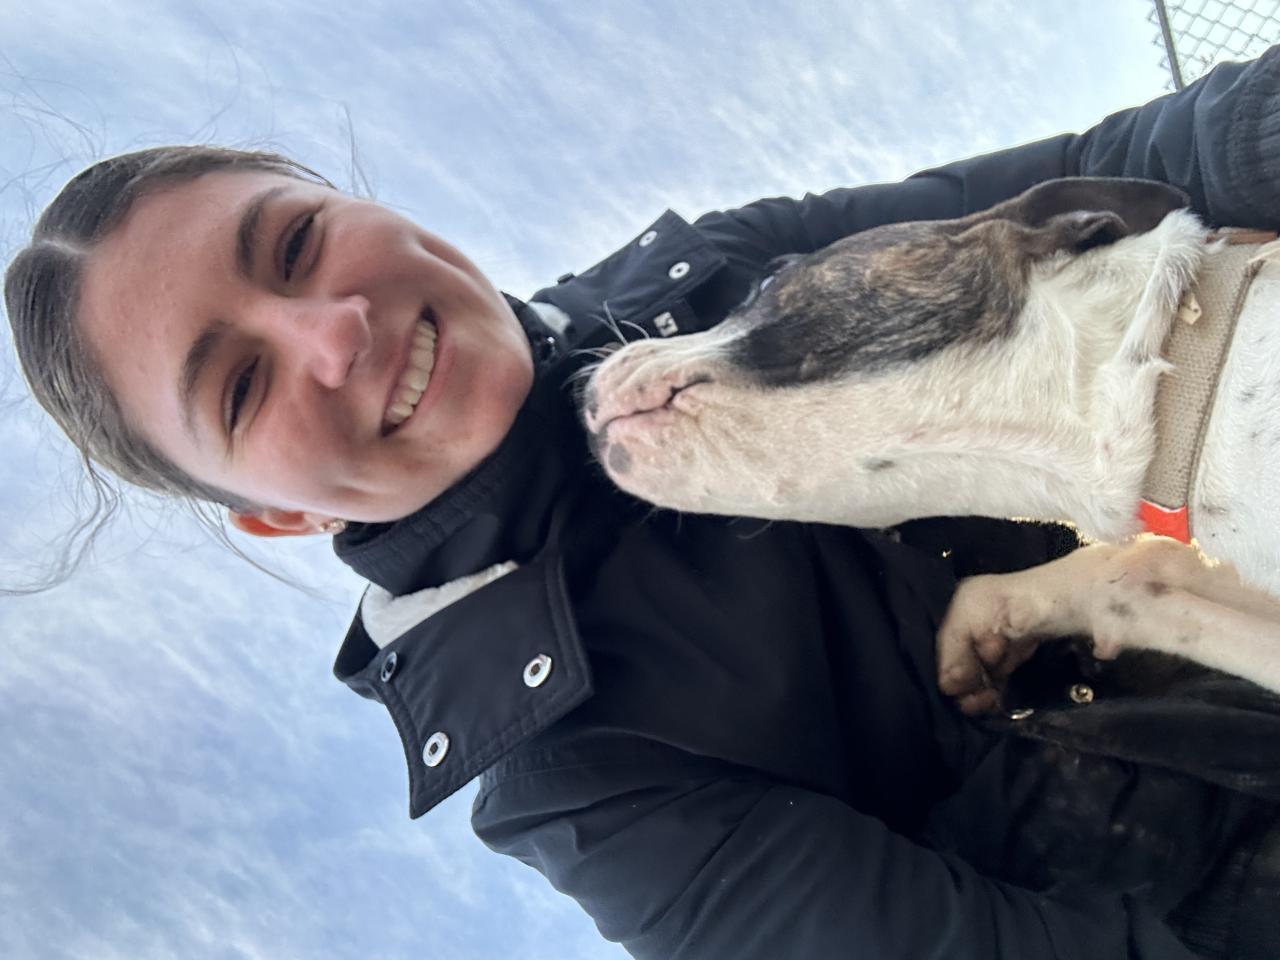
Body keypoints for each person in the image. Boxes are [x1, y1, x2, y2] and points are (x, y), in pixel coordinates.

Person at [9, 47, 1280, 960]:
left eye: (295, 244)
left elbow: (1106, 177)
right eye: (240, 386)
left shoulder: (709, 280)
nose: (333, 332)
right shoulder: (579, 780)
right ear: (273, 516)